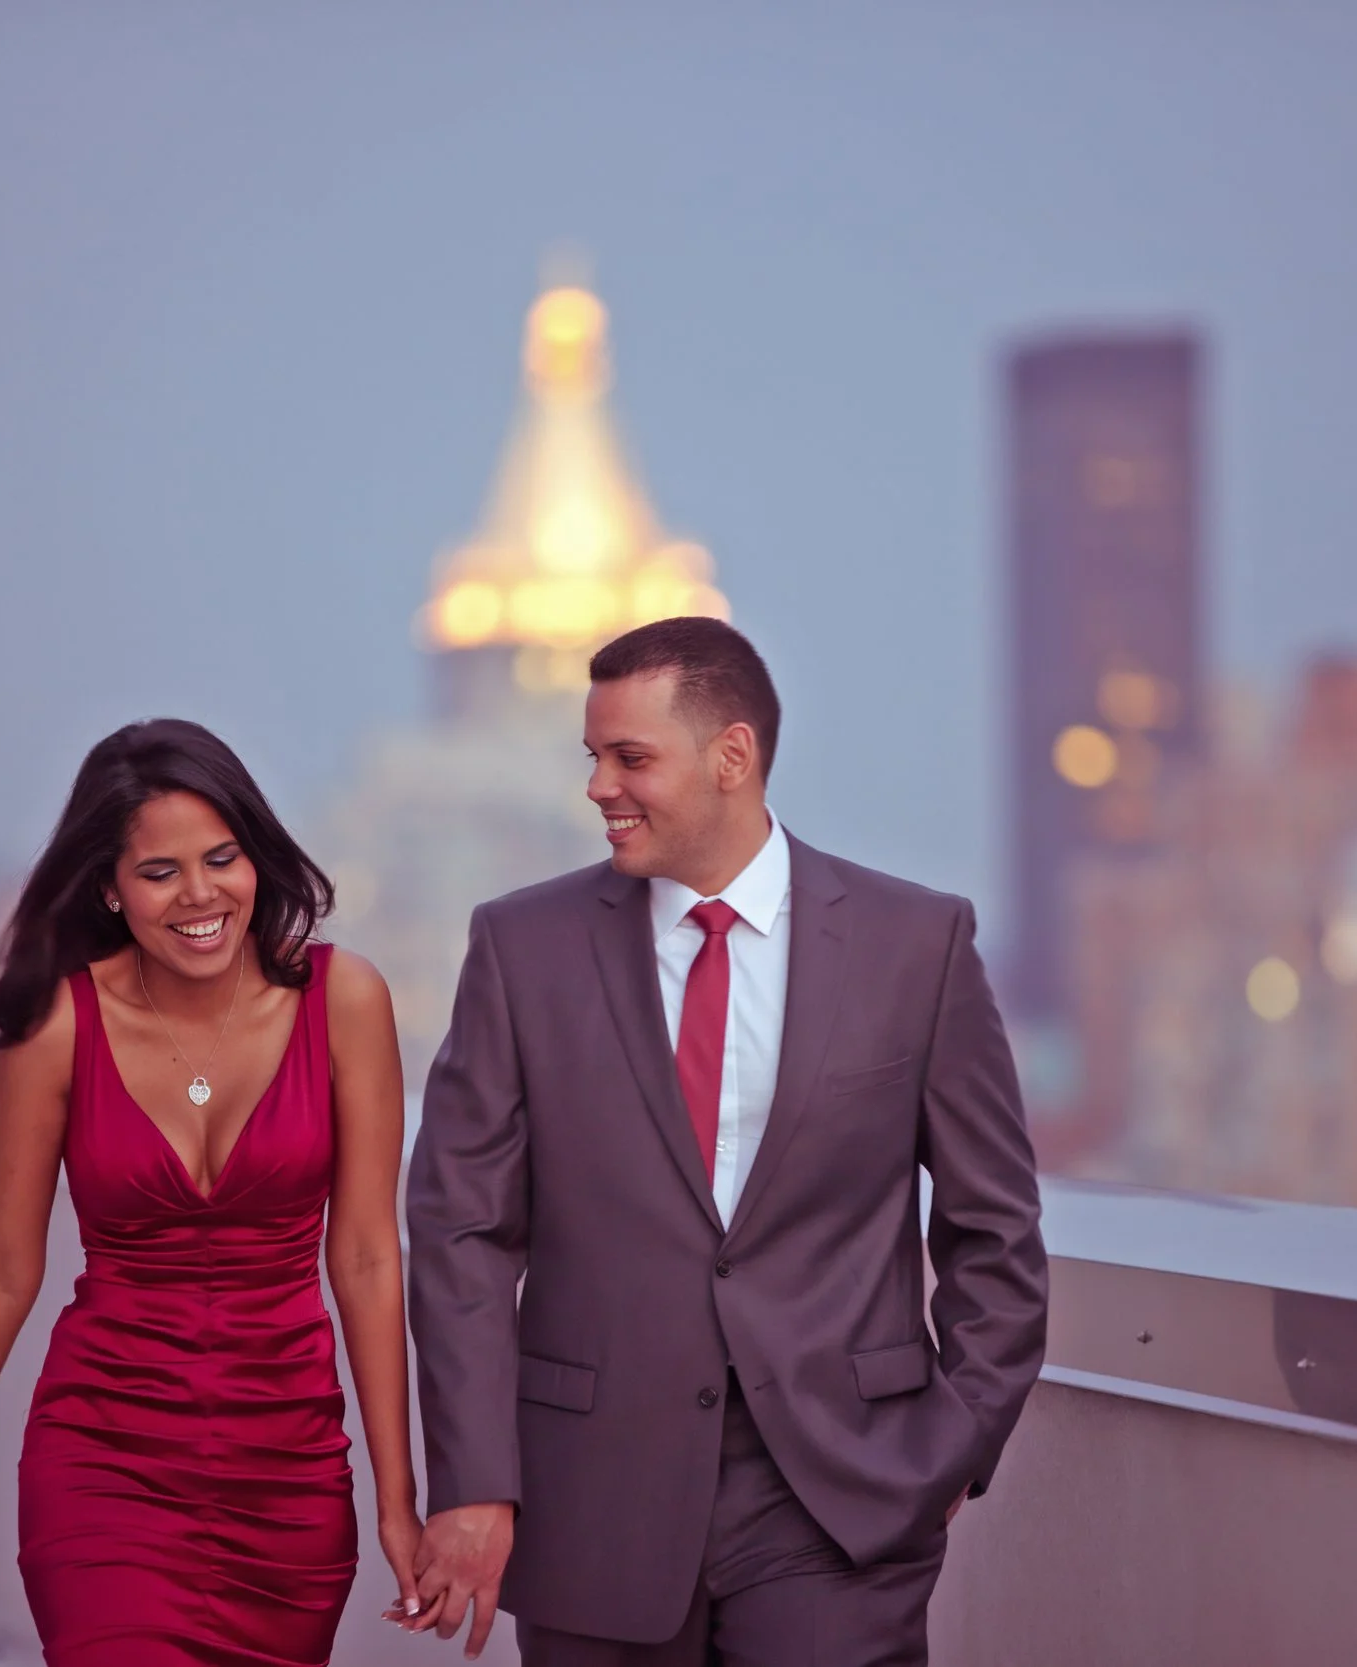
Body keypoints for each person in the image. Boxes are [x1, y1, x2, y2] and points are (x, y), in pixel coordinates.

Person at [403, 618, 1050, 1665]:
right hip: (593, 1498)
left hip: (839, 1500)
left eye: (631, 757)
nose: (598, 785)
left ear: (731, 756)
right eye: (593, 756)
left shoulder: (914, 944)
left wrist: (952, 1445)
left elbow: (993, 1224)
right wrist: (474, 1478)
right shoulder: (521, 948)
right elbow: (461, 1229)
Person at [0, 718, 422, 1663]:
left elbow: (366, 1256)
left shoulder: (346, 1000)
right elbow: (1, 1270)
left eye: (222, 858)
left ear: (258, 859)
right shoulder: (56, 1027)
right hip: (103, 1461)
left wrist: (397, 1499)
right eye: (160, 872)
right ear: (111, 890)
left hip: (285, 1477)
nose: (199, 895)